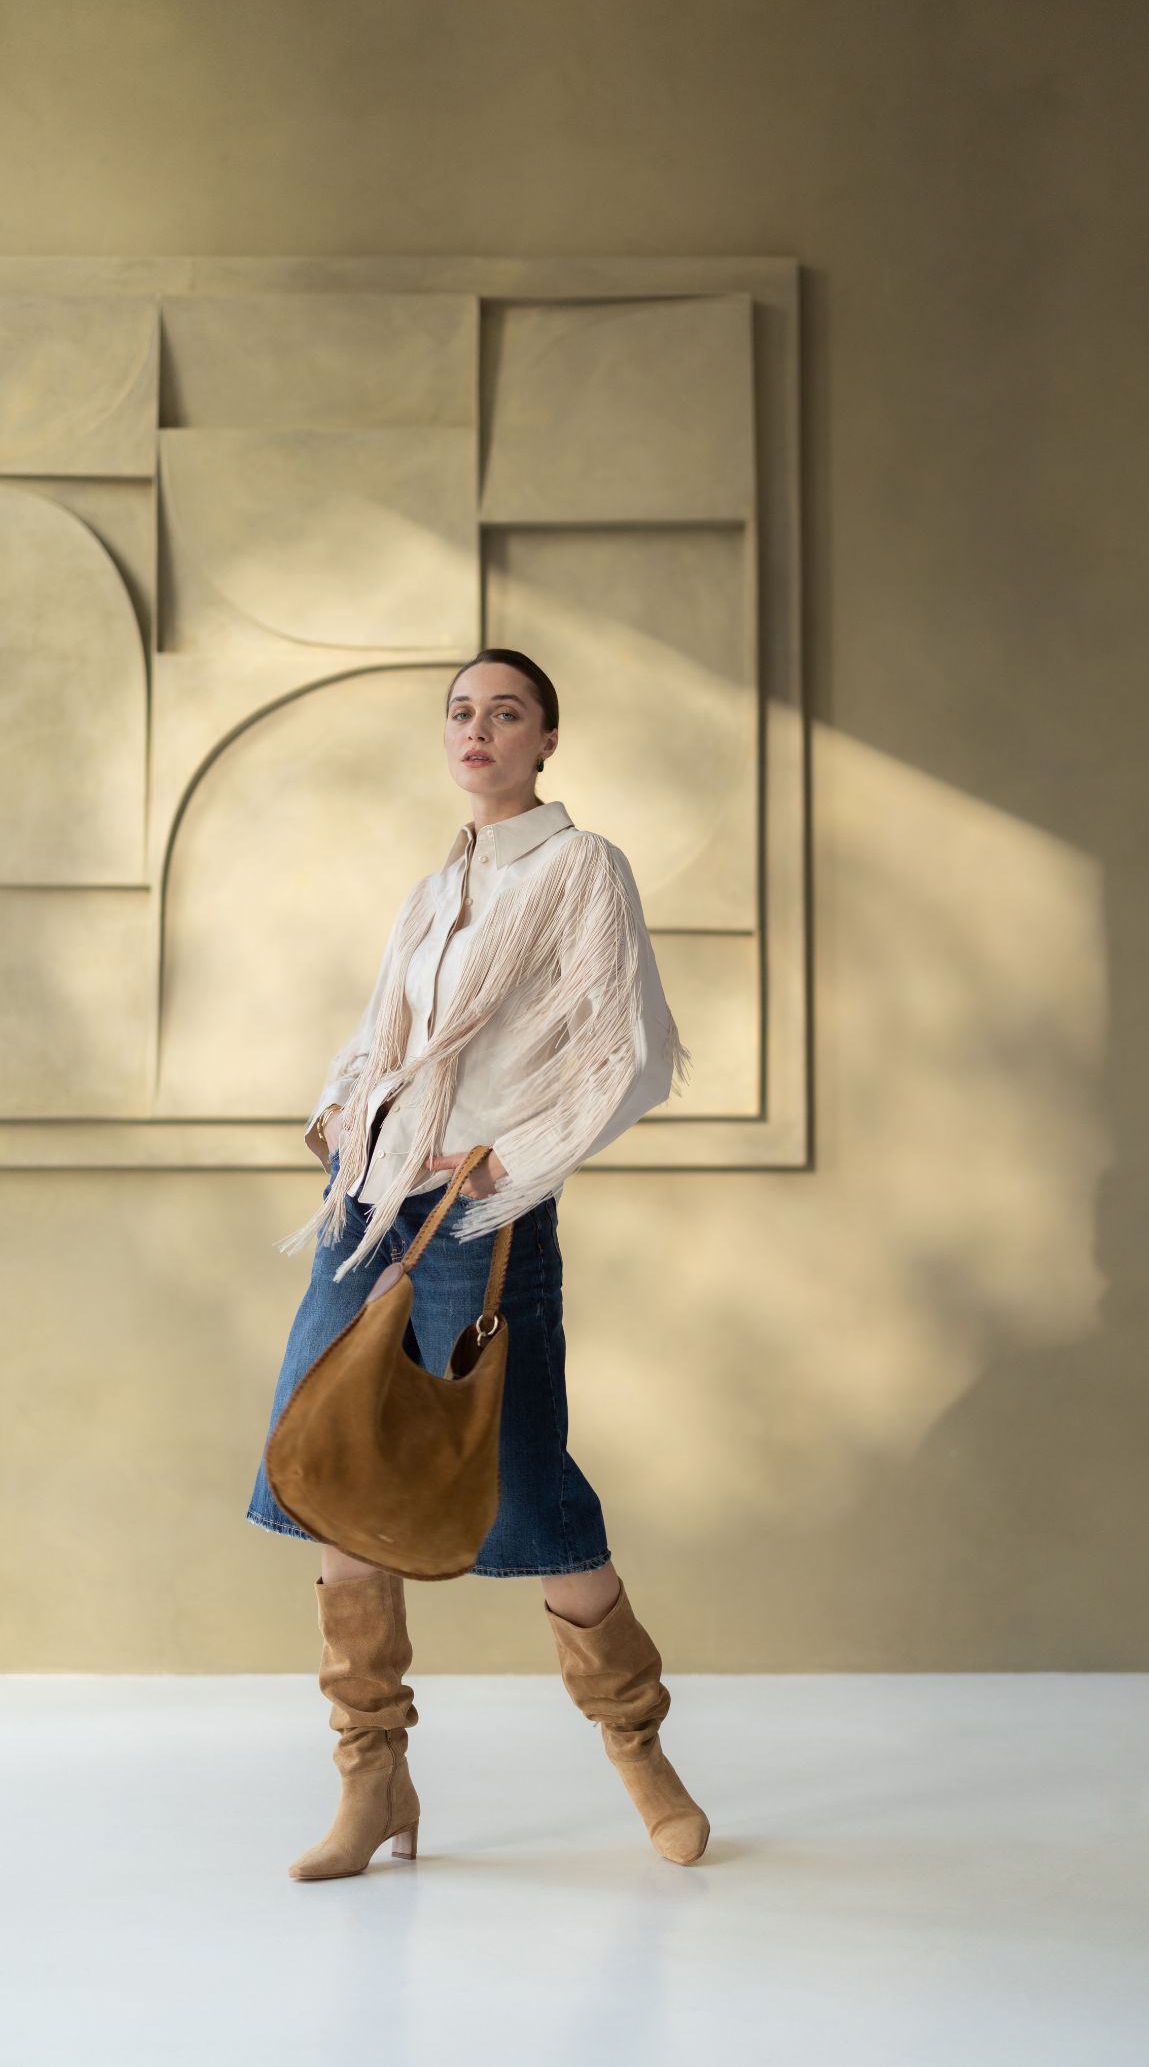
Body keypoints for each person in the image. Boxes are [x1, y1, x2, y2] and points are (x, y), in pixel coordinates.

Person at [245, 647, 711, 1879]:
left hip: (476, 1217)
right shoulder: (436, 887)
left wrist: (513, 1164)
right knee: (334, 1456)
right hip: (367, 1207)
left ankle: (639, 1746)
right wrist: (343, 1115)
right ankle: (373, 1777)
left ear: (547, 738)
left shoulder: (580, 869)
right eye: (461, 712)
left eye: (507, 713)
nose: (479, 730)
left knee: (525, 1481)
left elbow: (631, 1052)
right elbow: (378, 1035)